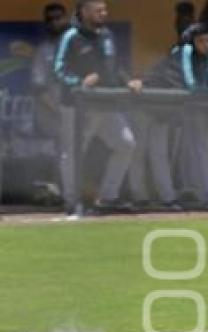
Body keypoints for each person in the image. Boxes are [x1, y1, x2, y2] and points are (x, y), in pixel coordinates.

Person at [54, 0, 143, 215]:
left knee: (126, 144)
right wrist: (79, 82)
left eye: (104, 10)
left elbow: (115, 65)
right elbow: (58, 68)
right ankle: (71, 201)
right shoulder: (71, 36)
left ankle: (108, 196)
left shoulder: (106, 35)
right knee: (73, 153)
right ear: (84, 12)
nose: (103, 13)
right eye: (98, 10)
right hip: (78, 107)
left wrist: (128, 80)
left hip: (107, 104)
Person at [128, 22, 208, 211]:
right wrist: (195, 91)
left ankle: (167, 197)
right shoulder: (184, 51)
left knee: (159, 154)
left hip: (164, 111)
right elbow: (188, 79)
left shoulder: (206, 58)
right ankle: (138, 195)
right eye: (201, 41)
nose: (206, 44)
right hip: (145, 105)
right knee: (139, 151)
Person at [31, 3, 69, 145]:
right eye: (50, 19)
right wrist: (58, 109)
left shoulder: (77, 46)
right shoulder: (43, 51)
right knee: (65, 154)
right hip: (54, 112)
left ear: (65, 19)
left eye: (58, 18)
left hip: (78, 110)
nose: (55, 22)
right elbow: (39, 88)